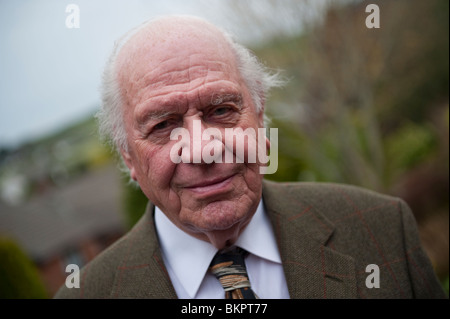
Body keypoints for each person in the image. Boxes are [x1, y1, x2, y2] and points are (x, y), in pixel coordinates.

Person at [54, 15, 446, 299]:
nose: (203, 148)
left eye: (221, 110)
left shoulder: (381, 229)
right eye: (163, 125)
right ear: (128, 157)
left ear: (261, 119)